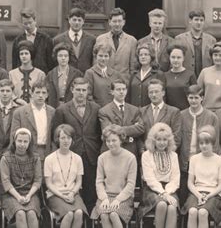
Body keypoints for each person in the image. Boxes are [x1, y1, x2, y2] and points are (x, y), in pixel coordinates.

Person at [52, 77, 102, 210]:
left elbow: (99, 133)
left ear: (87, 91)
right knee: (72, 189)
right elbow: (56, 136)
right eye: (78, 90)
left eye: (84, 90)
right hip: (70, 156)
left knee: (91, 191)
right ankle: (75, 223)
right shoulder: (62, 110)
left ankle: (90, 225)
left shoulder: (96, 108)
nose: (81, 93)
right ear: (72, 90)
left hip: (91, 155)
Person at [90, 125, 137, 228]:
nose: (111, 143)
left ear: (121, 139)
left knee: (114, 214)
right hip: (105, 195)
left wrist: (118, 199)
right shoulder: (102, 158)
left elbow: (130, 184)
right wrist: (104, 198)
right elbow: (99, 182)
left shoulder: (130, 158)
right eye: (108, 141)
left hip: (123, 196)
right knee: (104, 213)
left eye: (114, 140)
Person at [182, 125, 221, 228]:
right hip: (196, 192)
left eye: (207, 143)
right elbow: (190, 182)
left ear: (213, 143)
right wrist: (199, 195)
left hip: (214, 194)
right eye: (201, 143)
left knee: (202, 213)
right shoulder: (194, 159)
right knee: (193, 212)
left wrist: (208, 195)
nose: (204, 146)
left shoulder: (220, 161)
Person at [44, 124, 88, 228]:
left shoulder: (77, 158)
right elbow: (49, 184)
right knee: (69, 214)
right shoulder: (49, 159)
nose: (65, 141)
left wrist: (73, 192)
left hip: (72, 193)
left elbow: (79, 181)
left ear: (72, 140)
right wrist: (63, 196)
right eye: (62, 137)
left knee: (79, 212)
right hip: (55, 195)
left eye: (68, 138)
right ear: (57, 139)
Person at [139, 122, 180, 228]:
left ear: (168, 141)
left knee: (172, 207)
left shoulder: (173, 155)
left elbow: (176, 178)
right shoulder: (146, 155)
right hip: (152, 190)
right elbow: (150, 179)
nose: (161, 143)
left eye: (164, 140)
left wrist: (168, 192)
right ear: (153, 140)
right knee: (162, 204)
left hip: (170, 189)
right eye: (158, 139)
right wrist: (163, 194)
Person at [0, 128, 42, 228]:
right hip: (11, 194)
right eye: (19, 141)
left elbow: (37, 180)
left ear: (29, 143)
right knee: (19, 213)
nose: (22, 144)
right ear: (14, 141)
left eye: (25, 141)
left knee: (31, 213)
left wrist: (29, 195)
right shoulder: (6, 158)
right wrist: (18, 197)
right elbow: (6, 181)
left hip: (30, 192)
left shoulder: (35, 158)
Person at [178, 85, 219, 201]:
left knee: (198, 195)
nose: (193, 101)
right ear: (187, 98)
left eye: (196, 98)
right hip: (185, 162)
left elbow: (215, 144)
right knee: (183, 194)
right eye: (191, 98)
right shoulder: (181, 115)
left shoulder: (212, 117)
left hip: (203, 162)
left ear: (202, 98)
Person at [10, 80, 55, 164]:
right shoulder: (20, 112)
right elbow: (13, 136)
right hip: (27, 152)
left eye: (43, 92)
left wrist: (52, 152)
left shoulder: (52, 112)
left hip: (47, 153)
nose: (40, 95)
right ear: (32, 93)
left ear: (47, 95)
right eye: (37, 92)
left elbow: (54, 136)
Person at [98, 79, 144, 158]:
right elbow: (108, 132)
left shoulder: (134, 110)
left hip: (131, 151)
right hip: (112, 151)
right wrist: (130, 138)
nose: (121, 92)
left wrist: (118, 129)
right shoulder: (104, 111)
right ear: (112, 92)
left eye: (124, 89)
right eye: (118, 89)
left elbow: (141, 128)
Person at [95, 7, 137, 83]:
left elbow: (133, 66)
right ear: (109, 22)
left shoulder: (132, 40)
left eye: (119, 21)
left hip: (124, 83)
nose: (117, 24)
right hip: (105, 81)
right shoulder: (100, 39)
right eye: (114, 21)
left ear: (124, 22)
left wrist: (131, 82)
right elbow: (96, 63)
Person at [139, 79, 182, 151]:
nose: (154, 95)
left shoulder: (174, 112)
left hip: (166, 153)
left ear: (163, 93)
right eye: (151, 92)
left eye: (156, 92)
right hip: (146, 154)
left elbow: (176, 137)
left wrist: (165, 151)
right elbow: (139, 135)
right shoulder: (142, 111)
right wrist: (143, 150)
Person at [175, 9, 216, 78]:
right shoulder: (180, 39)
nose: (199, 22)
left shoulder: (211, 40)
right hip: (186, 77)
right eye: (196, 20)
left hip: (206, 77)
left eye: (201, 20)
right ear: (190, 21)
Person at [53, 7, 96, 74]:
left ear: (83, 22)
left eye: (79, 20)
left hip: (85, 78)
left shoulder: (91, 39)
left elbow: (93, 60)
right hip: (66, 77)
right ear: (69, 20)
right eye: (74, 20)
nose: (77, 23)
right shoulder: (58, 40)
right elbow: (55, 62)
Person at [12, 8, 53, 73]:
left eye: (30, 23)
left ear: (35, 21)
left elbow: (51, 63)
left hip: (42, 75)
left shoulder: (46, 39)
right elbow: (15, 63)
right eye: (25, 23)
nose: (28, 26)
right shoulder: (17, 40)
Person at [127, 42, 165, 108]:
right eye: (141, 55)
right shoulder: (134, 74)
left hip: (151, 112)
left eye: (146, 54)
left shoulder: (158, 74)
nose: (143, 57)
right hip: (134, 112)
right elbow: (128, 96)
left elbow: (163, 97)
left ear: (151, 56)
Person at [8, 40, 46, 105]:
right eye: (21, 54)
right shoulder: (12, 74)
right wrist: (17, 100)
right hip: (16, 107)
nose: (24, 56)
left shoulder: (40, 74)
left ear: (31, 55)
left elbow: (43, 92)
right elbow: (9, 91)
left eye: (26, 53)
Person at [46, 42, 83, 108]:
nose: (63, 58)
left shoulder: (77, 74)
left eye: (65, 56)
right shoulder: (51, 74)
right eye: (60, 56)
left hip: (72, 107)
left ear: (69, 57)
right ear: (56, 57)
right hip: (55, 106)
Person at [85, 43, 121, 107]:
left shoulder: (116, 74)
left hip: (113, 111)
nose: (103, 59)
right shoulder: (90, 73)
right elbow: (88, 95)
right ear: (96, 56)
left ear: (109, 57)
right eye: (100, 56)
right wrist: (97, 108)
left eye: (106, 56)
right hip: (97, 110)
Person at [163, 43, 197, 110]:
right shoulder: (164, 75)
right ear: (169, 58)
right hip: (169, 113)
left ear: (183, 58)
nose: (176, 60)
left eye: (178, 57)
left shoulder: (190, 75)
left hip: (186, 112)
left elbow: (195, 96)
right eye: (173, 57)